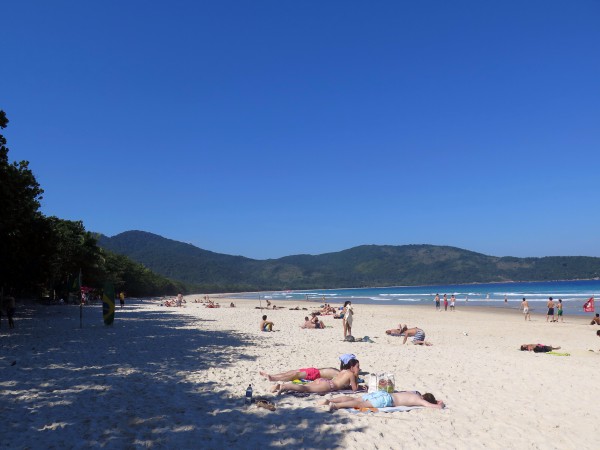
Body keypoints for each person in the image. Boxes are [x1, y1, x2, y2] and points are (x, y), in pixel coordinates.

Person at [271, 359, 361, 394]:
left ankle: (278, 386)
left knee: (304, 387)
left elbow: (342, 382)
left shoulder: (343, 371)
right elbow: (354, 389)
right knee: (306, 389)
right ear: (352, 367)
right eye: (357, 366)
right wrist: (356, 376)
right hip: (329, 385)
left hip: (322, 380)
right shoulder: (351, 374)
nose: (359, 368)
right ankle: (285, 386)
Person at [319, 390, 444, 411]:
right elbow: (432, 406)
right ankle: (335, 406)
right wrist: (440, 404)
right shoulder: (418, 400)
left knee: (355, 399)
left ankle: (329, 400)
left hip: (383, 393)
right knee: (360, 404)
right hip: (387, 399)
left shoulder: (413, 393)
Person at [260, 367, 339, 382]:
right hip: (313, 370)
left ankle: (274, 378)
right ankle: (273, 376)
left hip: (315, 374)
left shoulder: (339, 374)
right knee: (290, 372)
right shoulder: (339, 372)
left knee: (294, 374)